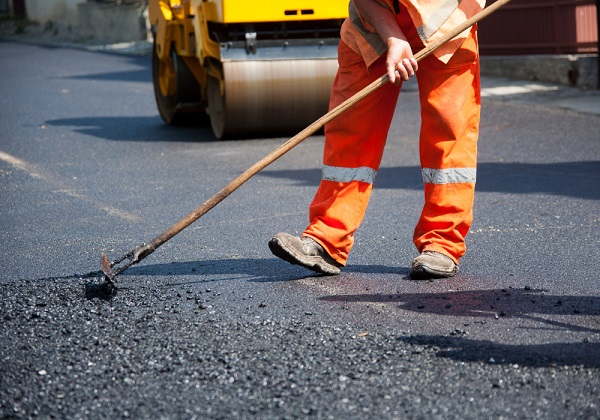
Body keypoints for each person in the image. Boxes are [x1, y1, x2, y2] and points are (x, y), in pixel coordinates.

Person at [269, 0, 485, 279]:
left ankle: (442, 243)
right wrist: (392, 36)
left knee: (449, 130)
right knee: (350, 128)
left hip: (448, 22)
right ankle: (327, 239)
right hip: (372, 23)